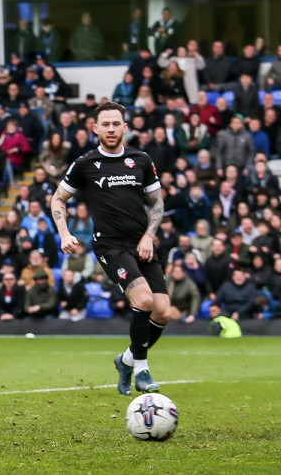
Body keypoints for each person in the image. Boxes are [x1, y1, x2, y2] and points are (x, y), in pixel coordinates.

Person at [50, 101, 168, 396]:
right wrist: (64, 233)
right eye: (106, 124)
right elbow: (58, 199)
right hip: (110, 245)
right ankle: (141, 368)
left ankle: (125, 360)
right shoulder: (85, 164)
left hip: (141, 243)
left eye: (117, 124)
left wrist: (148, 236)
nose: (111, 129)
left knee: (163, 311)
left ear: (125, 127)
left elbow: (157, 204)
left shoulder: (141, 159)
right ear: (95, 129)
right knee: (143, 299)